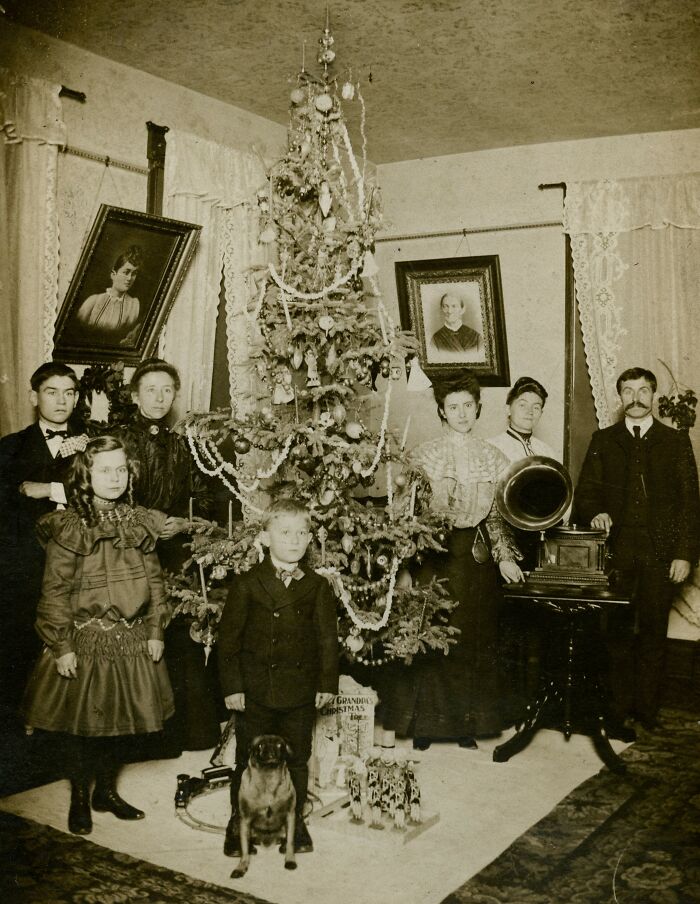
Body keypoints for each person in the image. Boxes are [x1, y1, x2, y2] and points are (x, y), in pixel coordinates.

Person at [20, 435, 174, 836]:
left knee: (122, 721)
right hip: (85, 639)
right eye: (105, 470)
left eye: (121, 469)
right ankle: (79, 798)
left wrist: (155, 629)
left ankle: (106, 791)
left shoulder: (137, 521)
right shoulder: (70, 524)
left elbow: (155, 582)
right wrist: (61, 645)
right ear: (86, 474)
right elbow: (54, 590)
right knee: (83, 727)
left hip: (131, 637)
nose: (115, 477)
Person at [382, 372, 523, 750]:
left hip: (473, 560)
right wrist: (406, 566)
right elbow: (405, 514)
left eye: (468, 406)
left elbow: (496, 516)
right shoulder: (424, 455)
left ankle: (465, 725)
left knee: (470, 641)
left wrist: (504, 558)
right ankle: (427, 726)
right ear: (442, 412)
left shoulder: (493, 458)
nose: (461, 414)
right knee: (431, 638)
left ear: (478, 410)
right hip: (434, 555)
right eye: (453, 407)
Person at [574, 366, 700, 735]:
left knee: (653, 632)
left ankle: (647, 710)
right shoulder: (603, 439)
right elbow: (586, 494)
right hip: (617, 554)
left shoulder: (675, 442)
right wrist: (595, 511)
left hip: (662, 555)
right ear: (620, 397)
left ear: (654, 396)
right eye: (628, 391)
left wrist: (684, 555)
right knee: (615, 633)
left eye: (643, 390)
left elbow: (690, 505)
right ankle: (616, 711)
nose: (636, 397)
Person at [218, 497, 339, 857]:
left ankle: (295, 821)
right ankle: (236, 822)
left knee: (298, 758)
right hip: (255, 691)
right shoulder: (248, 583)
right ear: (266, 538)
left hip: (300, 691)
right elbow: (228, 641)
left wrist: (327, 684)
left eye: (302, 533)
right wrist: (233, 687)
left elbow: (327, 641)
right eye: (285, 532)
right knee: (246, 759)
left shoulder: (317, 586)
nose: (294, 540)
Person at [119, 357, 219, 754]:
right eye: (150, 390)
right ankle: (144, 740)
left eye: (166, 390)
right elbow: (108, 497)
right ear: (134, 395)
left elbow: (207, 496)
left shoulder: (186, 444)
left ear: (175, 395)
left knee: (181, 637)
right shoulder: (119, 440)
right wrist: (147, 522)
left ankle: (189, 733)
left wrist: (184, 521)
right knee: (140, 636)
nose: (159, 398)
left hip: (178, 553)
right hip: (132, 552)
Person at [0, 362, 86, 723]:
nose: (61, 401)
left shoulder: (92, 442)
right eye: (51, 392)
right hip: (27, 565)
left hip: (82, 561)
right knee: (21, 645)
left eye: (69, 393)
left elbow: (107, 492)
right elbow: (8, 500)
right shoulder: (11, 447)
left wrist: (48, 489)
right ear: (35, 397)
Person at [488, 376, 560, 722]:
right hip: (505, 549)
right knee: (509, 630)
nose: (530, 412)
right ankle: (507, 709)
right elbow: (489, 510)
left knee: (539, 629)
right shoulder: (492, 447)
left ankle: (535, 706)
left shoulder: (547, 451)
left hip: (539, 549)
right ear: (508, 409)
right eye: (523, 405)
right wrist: (503, 556)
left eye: (536, 407)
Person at [71, 246, 143, 346]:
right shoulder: (93, 301)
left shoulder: (133, 305)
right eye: (126, 272)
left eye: (134, 273)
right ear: (113, 275)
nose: (130, 278)